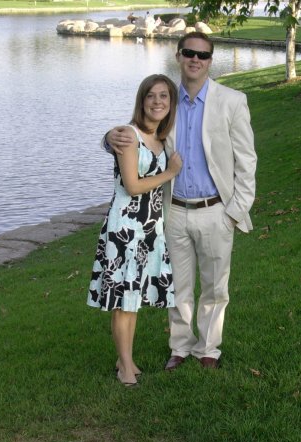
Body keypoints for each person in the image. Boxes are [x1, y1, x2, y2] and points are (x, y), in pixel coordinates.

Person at [105, 32, 257, 371]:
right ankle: (180, 347)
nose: (195, 60)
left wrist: (235, 211)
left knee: (215, 287)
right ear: (178, 56)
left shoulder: (232, 101)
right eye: (189, 52)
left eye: (202, 55)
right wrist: (108, 137)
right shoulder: (168, 101)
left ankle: (209, 349)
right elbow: (138, 132)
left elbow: (247, 161)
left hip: (216, 211)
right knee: (178, 287)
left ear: (210, 60)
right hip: (173, 211)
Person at [87, 74, 183, 387]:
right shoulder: (129, 136)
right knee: (122, 301)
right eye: (151, 96)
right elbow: (132, 185)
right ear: (141, 101)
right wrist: (170, 172)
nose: (157, 102)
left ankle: (124, 358)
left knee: (133, 299)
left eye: (164, 96)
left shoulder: (162, 139)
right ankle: (125, 367)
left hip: (150, 229)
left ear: (171, 103)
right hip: (125, 229)